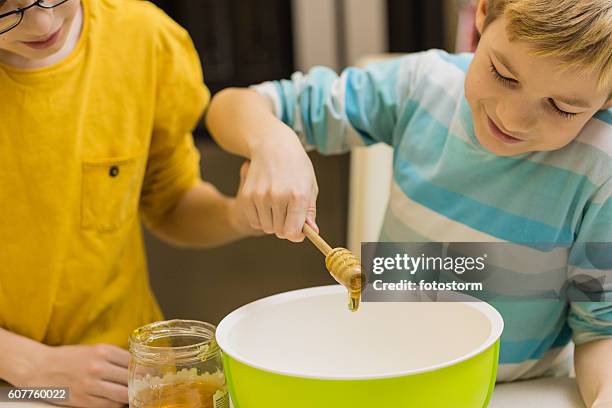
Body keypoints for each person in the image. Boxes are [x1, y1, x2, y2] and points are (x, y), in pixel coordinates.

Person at [206, 0, 612, 406]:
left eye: (562, 107)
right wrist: (271, 140)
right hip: (385, 378)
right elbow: (232, 107)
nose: (513, 118)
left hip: (514, 394)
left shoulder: (602, 168)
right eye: (503, 74)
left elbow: (601, 332)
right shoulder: (422, 85)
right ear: (483, 15)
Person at [0, 0, 256, 406]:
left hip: (126, 376)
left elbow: (170, 202)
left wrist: (238, 215)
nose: (42, 20)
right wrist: (29, 365)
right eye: (4, 10)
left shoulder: (143, 39)